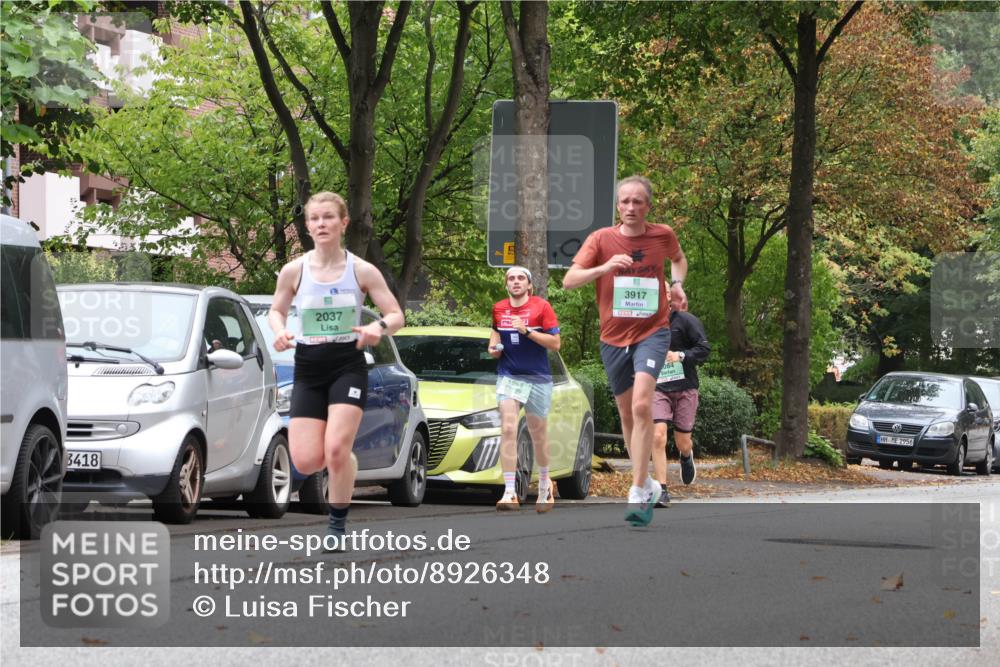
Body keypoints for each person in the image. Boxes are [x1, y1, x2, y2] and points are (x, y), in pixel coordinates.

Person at [268, 191, 404, 550]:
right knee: (307, 459)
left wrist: (379, 328)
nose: (321, 224)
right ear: (308, 225)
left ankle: (337, 527)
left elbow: (396, 315)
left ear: (343, 223)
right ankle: (344, 459)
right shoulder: (294, 270)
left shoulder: (361, 270)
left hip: (347, 364)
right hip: (309, 368)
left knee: (336, 449)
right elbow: (276, 310)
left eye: (328, 217)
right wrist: (279, 331)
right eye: (315, 219)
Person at [563, 175, 687, 527]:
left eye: (637, 202)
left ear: (648, 206)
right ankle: (645, 480)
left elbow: (679, 260)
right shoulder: (601, 239)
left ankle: (636, 488)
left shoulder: (662, 235)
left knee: (642, 403)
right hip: (613, 336)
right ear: (617, 206)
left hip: (653, 331)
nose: (630, 208)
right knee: (627, 413)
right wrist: (604, 267)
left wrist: (676, 285)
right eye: (624, 202)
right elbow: (569, 281)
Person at [488, 266, 562, 513]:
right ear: (506, 284)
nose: (516, 282)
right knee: (508, 427)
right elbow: (494, 339)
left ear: (529, 285)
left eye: (521, 278)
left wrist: (527, 331)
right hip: (509, 376)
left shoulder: (542, 307)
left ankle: (544, 483)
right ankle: (509, 492)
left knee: (537, 434)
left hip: (538, 378)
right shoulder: (499, 308)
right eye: (511, 278)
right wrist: (494, 349)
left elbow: (555, 344)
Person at [651, 293, 710, 507]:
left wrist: (680, 356)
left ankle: (686, 456)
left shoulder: (686, 321)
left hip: (685, 388)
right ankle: (662, 490)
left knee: (682, 441)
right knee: (658, 436)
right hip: (658, 388)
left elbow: (704, 349)